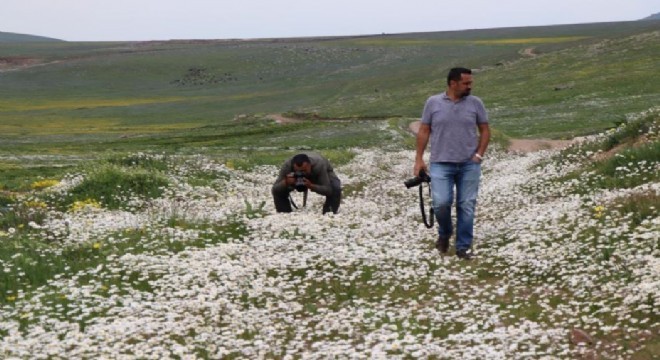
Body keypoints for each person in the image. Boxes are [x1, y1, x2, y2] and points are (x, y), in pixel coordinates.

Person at [414, 67, 490, 260]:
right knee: (441, 203)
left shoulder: (476, 103)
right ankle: (445, 233)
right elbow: (424, 131)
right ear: (452, 83)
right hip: (441, 163)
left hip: (469, 164)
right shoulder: (433, 103)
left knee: (466, 204)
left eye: (470, 83)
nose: (470, 86)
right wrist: (419, 159)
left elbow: (485, 130)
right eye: (466, 83)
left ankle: (463, 247)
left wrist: (479, 155)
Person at [272, 152, 342, 214]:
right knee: (279, 190)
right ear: (293, 167)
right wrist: (286, 182)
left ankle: (329, 214)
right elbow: (275, 189)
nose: (301, 173)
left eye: (304, 170)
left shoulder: (319, 165)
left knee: (335, 187)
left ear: (310, 165)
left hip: (320, 173)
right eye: (298, 171)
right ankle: (284, 214)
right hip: (294, 177)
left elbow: (328, 190)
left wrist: (312, 186)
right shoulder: (287, 166)